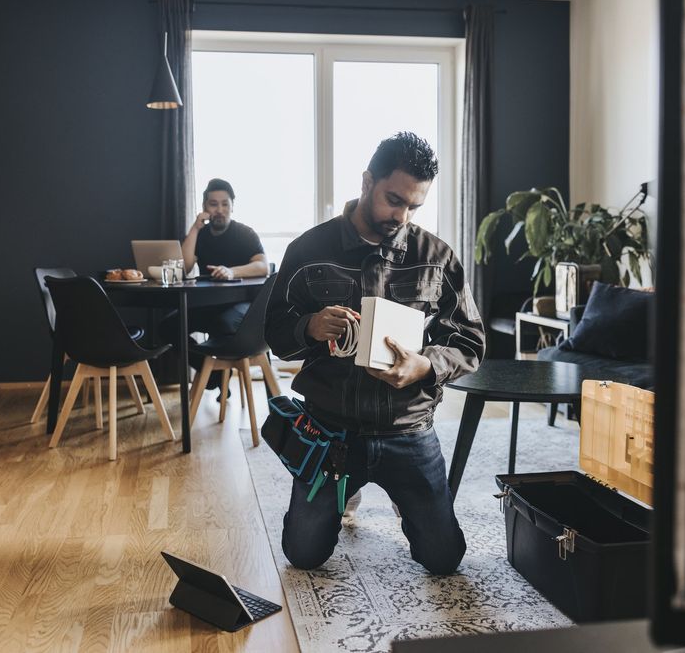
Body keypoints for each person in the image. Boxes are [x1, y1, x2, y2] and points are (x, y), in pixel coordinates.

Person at [263, 132, 486, 575]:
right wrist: (307, 326)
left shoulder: (436, 257)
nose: (402, 216)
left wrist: (425, 365)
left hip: (408, 428)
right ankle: (347, 488)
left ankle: (401, 496)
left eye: (414, 207)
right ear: (367, 182)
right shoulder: (307, 251)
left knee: (444, 560)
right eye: (394, 200)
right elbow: (274, 335)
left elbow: (470, 341)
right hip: (330, 432)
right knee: (303, 556)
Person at [160, 178, 269, 389]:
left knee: (223, 323)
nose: (219, 209)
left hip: (241, 307)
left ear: (232, 206)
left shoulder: (244, 233)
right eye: (213, 204)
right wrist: (195, 227)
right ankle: (211, 373)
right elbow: (183, 266)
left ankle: (216, 374)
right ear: (205, 207)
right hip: (208, 306)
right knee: (167, 327)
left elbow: (263, 266)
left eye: (225, 204)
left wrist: (231, 271)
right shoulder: (200, 235)